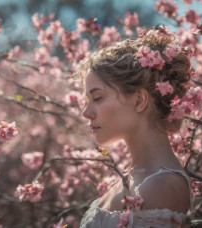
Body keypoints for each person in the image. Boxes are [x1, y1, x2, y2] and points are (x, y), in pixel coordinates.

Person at [77, 27, 193, 227]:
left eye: (97, 98)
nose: (86, 112)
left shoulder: (162, 186)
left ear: (139, 99)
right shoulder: (134, 177)